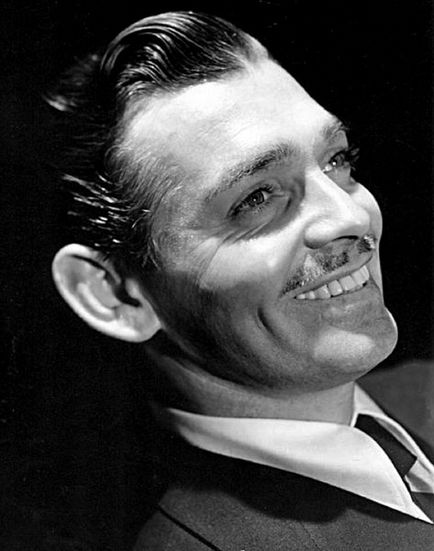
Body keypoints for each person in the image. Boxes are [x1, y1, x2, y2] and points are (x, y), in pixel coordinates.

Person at [48, 11, 434, 550]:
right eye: (256, 197)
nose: (350, 217)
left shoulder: (422, 394)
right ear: (114, 296)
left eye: (337, 160)